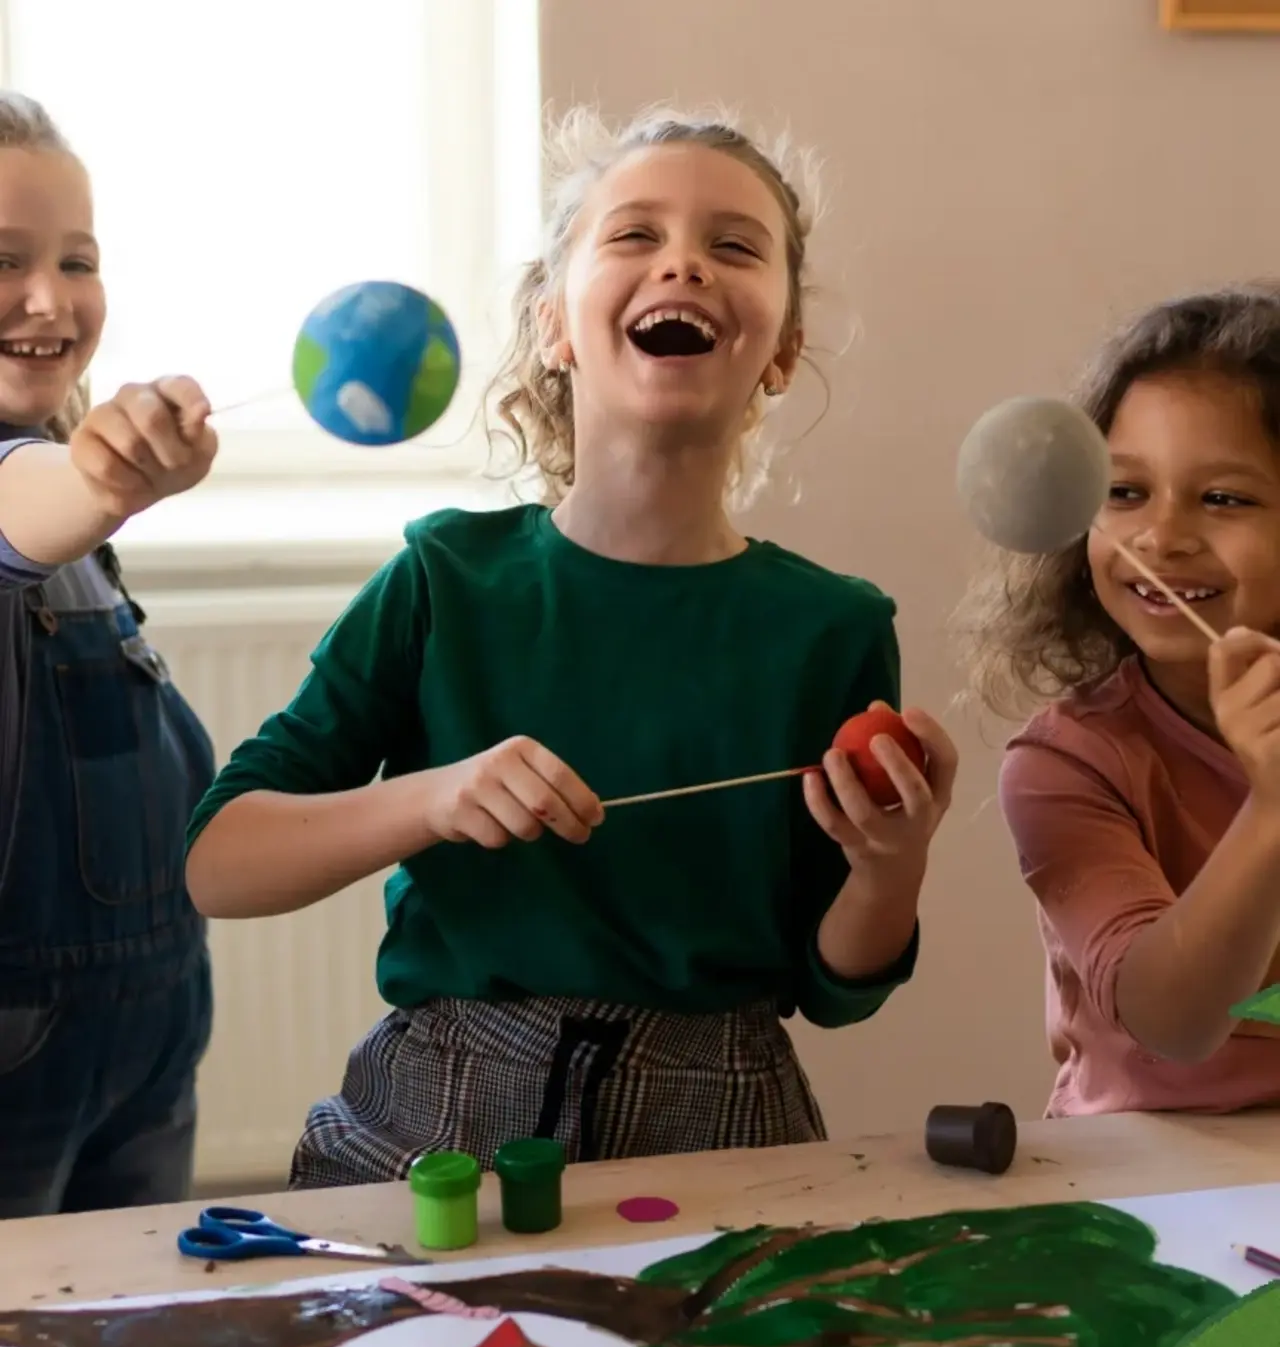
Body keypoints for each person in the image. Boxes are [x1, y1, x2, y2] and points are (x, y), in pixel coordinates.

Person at [186, 107, 956, 1185]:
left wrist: (891, 864)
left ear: (780, 349)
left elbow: (838, 988)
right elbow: (220, 864)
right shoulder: (443, 581)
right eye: (633, 236)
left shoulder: (831, 628)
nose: (681, 262)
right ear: (552, 324)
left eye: (731, 245)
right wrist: (431, 798)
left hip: (722, 1124)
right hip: (434, 1120)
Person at [961, 282, 1280, 1116]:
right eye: (1126, 492)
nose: (1161, 538)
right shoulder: (1067, 763)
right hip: (1145, 1185)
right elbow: (1171, 1021)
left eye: (1224, 499)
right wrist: (1273, 810)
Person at [0, 91, 219, 1216]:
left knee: (129, 1346)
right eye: (4, 260)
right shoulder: (43, 487)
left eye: (76, 259)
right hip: (17, 1052)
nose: (49, 299)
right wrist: (93, 479)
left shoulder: (65, 501)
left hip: (146, 1030)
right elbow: (18, 503)